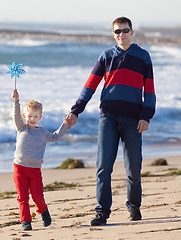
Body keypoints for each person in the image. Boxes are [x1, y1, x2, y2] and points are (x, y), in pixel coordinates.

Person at [65, 16, 156, 226]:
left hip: (134, 119)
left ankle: (134, 206)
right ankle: (102, 212)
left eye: (125, 31)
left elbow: (149, 89)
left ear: (132, 32)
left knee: (133, 168)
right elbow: (90, 85)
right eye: (117, 32)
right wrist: (76, 110)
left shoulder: (143, 57)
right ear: (113, 34)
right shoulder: (105, 56)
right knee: (103, 166)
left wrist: (146, 116)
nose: (121, 35)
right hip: (108, 116)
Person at [12, 88, 70, 230]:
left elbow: (56, 136)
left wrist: (66, 125)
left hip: (35, 170)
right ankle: (26, 221)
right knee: (22, 197)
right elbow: (16, 115)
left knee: (37, 196)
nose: (32, 119)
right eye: (30, 116)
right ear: (25, 116)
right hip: (19, 168)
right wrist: (16, 101)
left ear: (40, 117)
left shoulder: (43, 133)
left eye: (35, 116)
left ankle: (43, 211)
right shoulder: (22, 128)